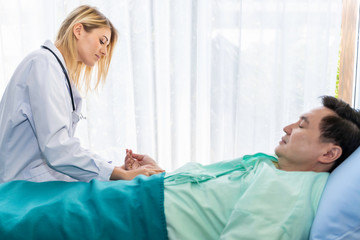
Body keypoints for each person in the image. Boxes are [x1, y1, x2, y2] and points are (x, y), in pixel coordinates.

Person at [0, 96, 359, 240]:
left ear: (328, 154)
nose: (287, 128)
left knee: (26, 219)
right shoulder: (273, 168)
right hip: (144, 196)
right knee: (24, 196)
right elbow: (209, 202)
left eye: (301, 125)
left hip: (140, 219)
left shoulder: (290, 194)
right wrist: (162, 174)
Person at [0, 5, 163, 183]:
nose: (105, 52)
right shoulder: (43, 64)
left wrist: (114, 170)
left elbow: (65, 147)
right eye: (102, 41)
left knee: (117, 188)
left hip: (36, 179)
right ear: (78, 30)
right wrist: (117, 174)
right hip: (21, 185)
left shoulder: (56, 72)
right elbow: (57, 148)